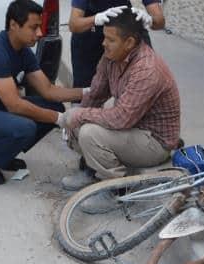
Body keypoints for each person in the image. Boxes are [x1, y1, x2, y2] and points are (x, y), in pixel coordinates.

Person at [0, 0, 82, 185]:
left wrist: (86, 93)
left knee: (54, 106)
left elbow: (49, 90)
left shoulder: (23, 52)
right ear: (13, 25)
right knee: (26, 126)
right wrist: (59, 119)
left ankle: (2, 153)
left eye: (40, 27)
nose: (40, 33)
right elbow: (14, 105)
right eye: (33, 27)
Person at [60, 7, 181, 211]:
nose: (103, 43)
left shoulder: (147, 69)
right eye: (104, 37)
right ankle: (93, 169)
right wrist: (74, 117)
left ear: (130, 43)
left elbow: (120, 119)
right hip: (132, 130)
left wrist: (79, 115)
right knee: (78, 120)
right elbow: (96, 94)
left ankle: (119, 190)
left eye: (110, 39)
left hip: (154, 142)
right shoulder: (111, 57)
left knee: (89, 132)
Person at [69, 0, 165, 89]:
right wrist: (96, 19)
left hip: (123, 26)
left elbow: (160, 22)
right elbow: (74, 24)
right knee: (86, 91)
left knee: (146, 73)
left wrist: (149, 20)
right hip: (90, 28)